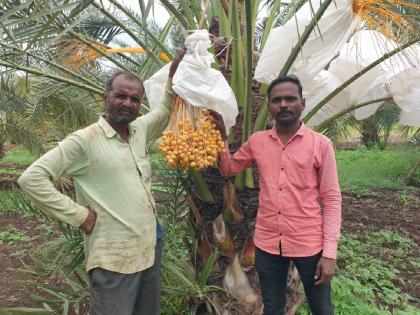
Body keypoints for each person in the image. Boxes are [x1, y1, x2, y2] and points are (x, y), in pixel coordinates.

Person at [18, 49, 186, 315]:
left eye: (134, 99)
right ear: (105, 97)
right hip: (113, 255)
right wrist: (79, 215)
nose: (128, 103)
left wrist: (174, 75)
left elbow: (165, 110)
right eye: (120, 96)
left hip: (150, 242)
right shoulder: (85, 140)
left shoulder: (139, 130)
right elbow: (31, 178)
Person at [211, 75, 342, 315]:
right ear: (269, 105)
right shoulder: (258, 142)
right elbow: (228, 168)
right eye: (277, 100)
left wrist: (330, 253)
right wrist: (221, 136)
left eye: (290, 99)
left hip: (309, 243)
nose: (283, 104)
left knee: (322, 308)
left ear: (302, 103)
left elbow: (332, 199)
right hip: (268, 244)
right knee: (272, 307)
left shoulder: (320, 145)